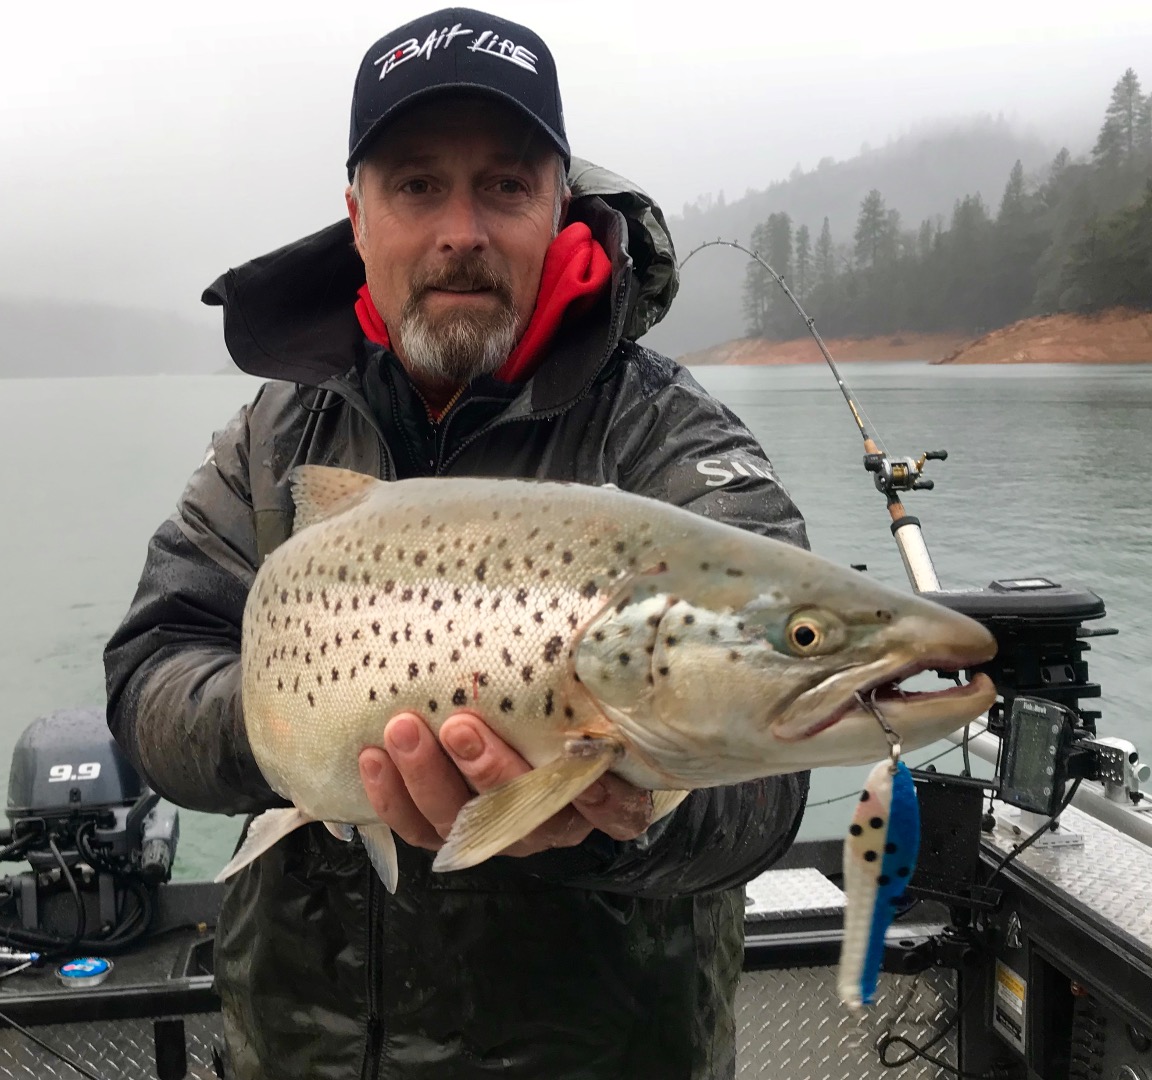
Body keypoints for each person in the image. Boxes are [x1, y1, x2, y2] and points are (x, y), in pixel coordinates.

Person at [105, 8, 811, 1078]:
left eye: (506, 186)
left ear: (558, 205)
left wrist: (622, 817)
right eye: (418, 185)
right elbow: (151, 672)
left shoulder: (672, 440)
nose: (462, 233)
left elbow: (774, 779)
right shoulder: (270, 440)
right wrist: (295, 743)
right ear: (357, 214)